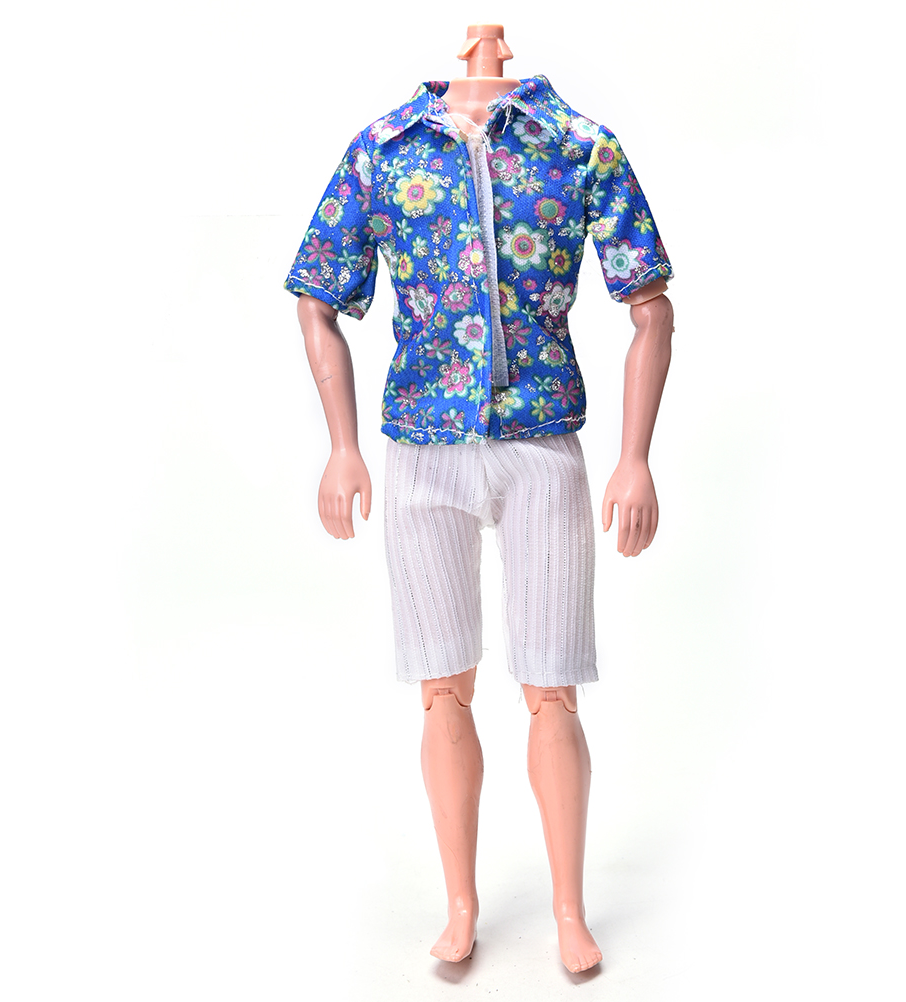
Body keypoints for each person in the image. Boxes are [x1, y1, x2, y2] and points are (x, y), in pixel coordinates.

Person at [287, 24, 674, 974]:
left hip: (543, 445)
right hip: (422, 452)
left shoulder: (579, 145)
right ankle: (459, 904)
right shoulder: (383, 150)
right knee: (440, 688)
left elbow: (651, 306)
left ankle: (569, 908)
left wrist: (635, 458)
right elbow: (316, 299)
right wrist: (342, 446)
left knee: (552, 690)